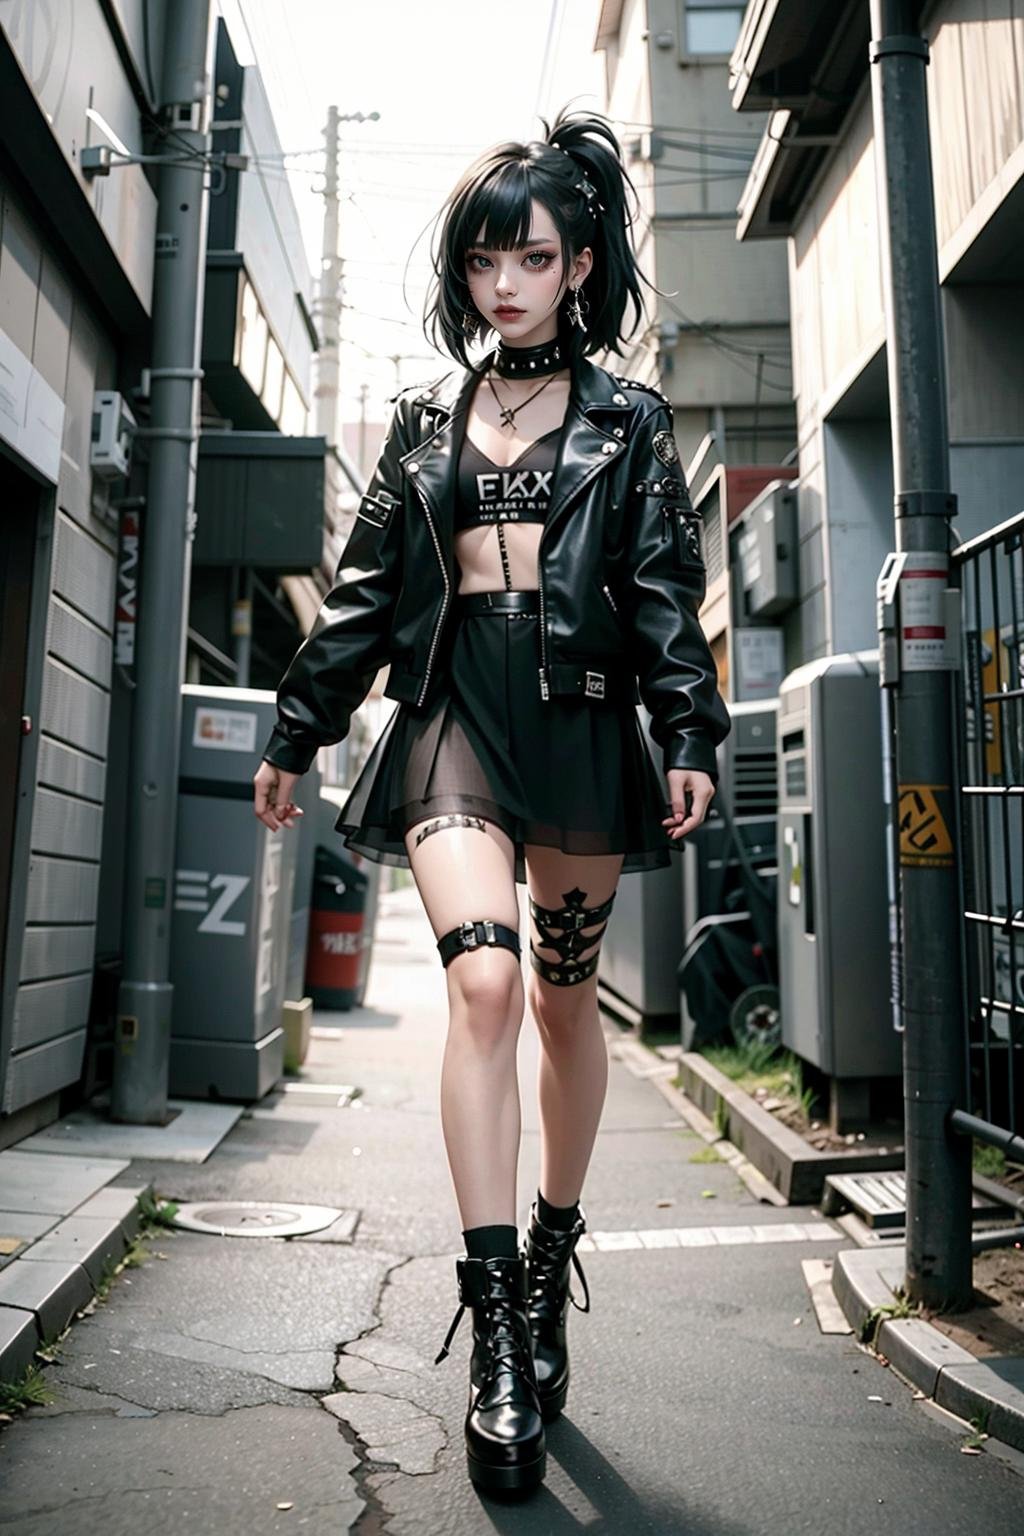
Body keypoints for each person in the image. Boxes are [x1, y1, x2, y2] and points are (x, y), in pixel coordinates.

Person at [253, 106, 731, 1499]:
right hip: (459, 720)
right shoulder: (424, 423)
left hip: (581, 733)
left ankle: (550, 1248)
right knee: (483, 991)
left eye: (530, 257)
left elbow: (659, 594)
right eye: (483, 262)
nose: (504, 284)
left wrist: (689, 724)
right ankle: (500, 1337)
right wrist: (299, 727)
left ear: (580, 264)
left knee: (565, 1008)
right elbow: (356, 600)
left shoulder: (627, 424)